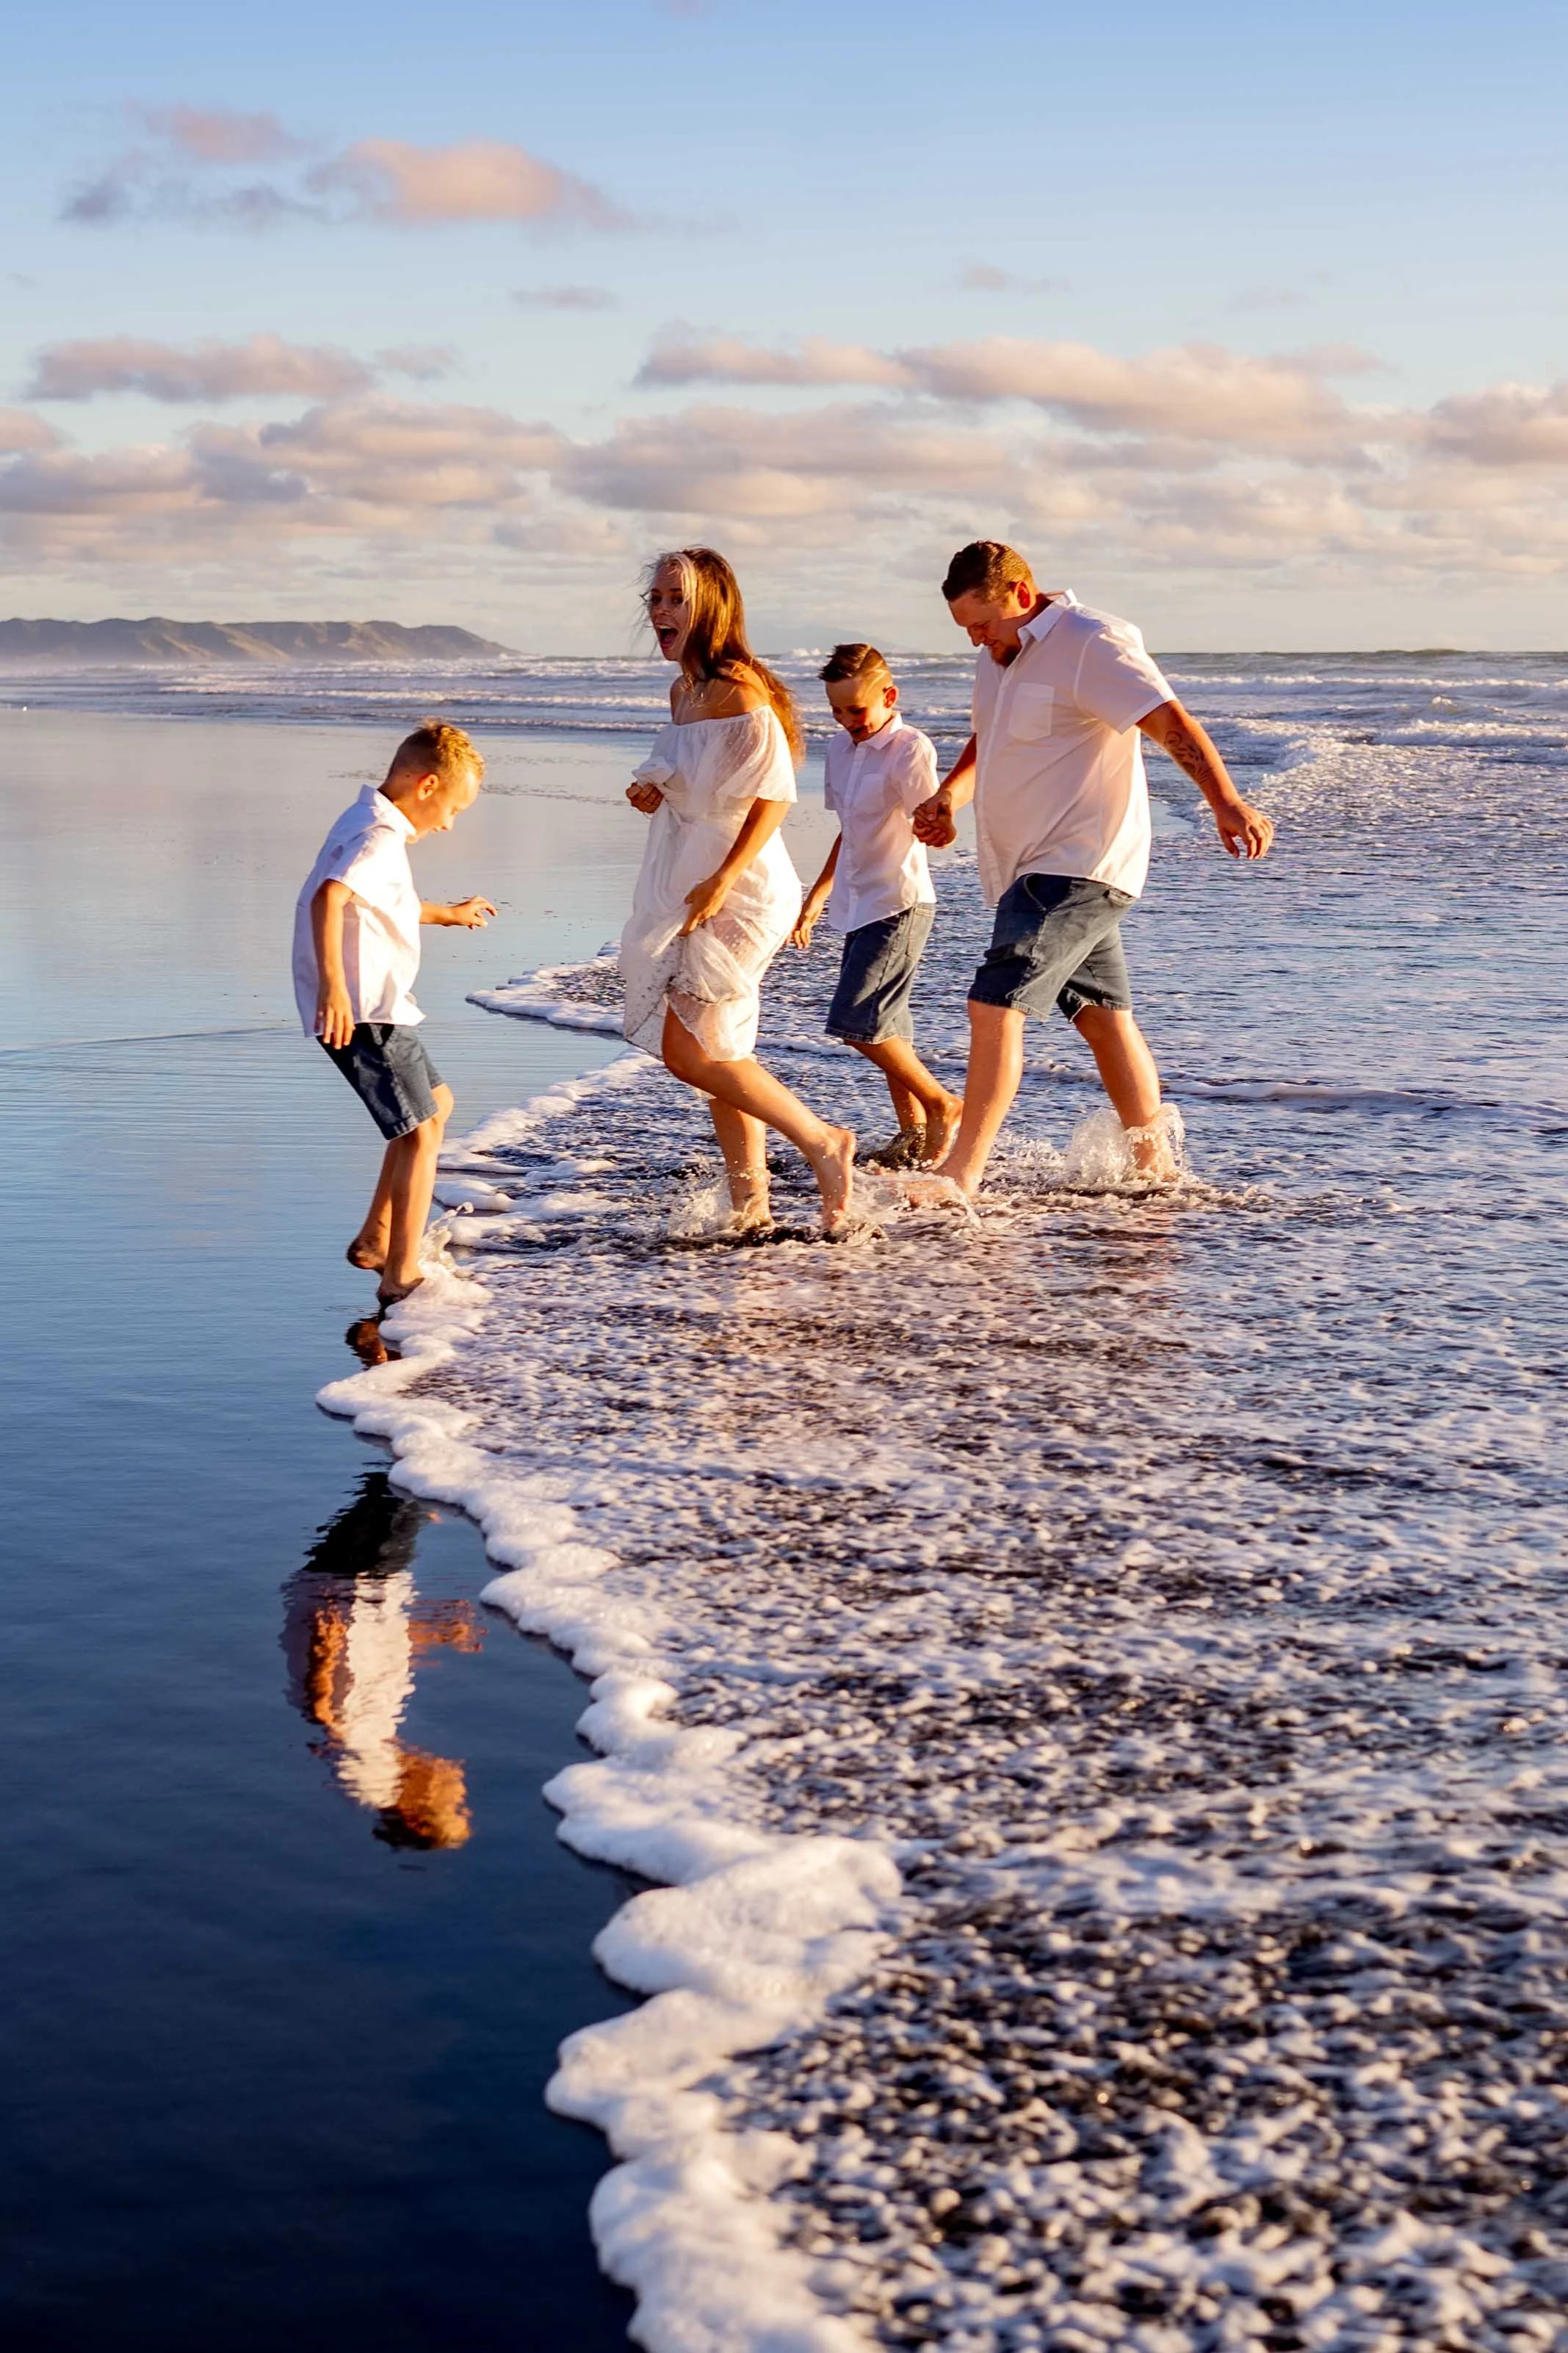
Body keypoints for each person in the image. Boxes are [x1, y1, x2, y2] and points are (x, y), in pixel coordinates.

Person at [914, 542, 1274, 1194]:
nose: (975, 639)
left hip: (1077, 862)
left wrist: (1225, 801)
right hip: (1024, 867)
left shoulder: (1092, 642)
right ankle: (1154, 1170)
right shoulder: (999, 655)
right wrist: (949, 795)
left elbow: (1167, 721)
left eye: (983, 623)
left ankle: (960, 1173)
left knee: (993, 1004)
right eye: (964, 628)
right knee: (1104, 1018)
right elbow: (990, 736)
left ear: (1022, 595)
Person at [621, 547, 856, 1236]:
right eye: (655, 599)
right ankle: (750, 1202)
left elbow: (774, 797)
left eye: (674, 598)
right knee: (719, 1048)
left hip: (740, 890)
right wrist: (651, 791)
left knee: (687, 1051)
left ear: (710, 606)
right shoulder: (683, 694)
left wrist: (722, 881)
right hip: (691, 880)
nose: (660, 610)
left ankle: (821, 1142)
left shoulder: (739, 689)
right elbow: (693, 779)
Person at [293, 718, 495, 1305]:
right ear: (427, 785)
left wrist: (448, 914)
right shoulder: (379, 839)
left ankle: (377, 1235)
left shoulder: (365, 821)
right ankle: (400, 1272)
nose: (450, 824)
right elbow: (333, 896)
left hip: (375, 1006)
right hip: (362, 1008)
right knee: (419, 1132)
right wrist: (334, 989)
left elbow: (382, 902)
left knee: (436, 1107)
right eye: (453, 809)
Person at [791, 643, 961, 1169]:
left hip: (898, 901)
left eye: (856, 710)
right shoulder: (840, 751)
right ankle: (911, 1133)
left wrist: (943, 826)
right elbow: (849, 829)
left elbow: (933, 818)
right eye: (836, 711)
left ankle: (940, 1104)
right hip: (856, 899)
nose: (847, 722)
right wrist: (818, 893)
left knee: (855, 1019)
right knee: (889, 1025)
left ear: (888, 696)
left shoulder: (910, 748)